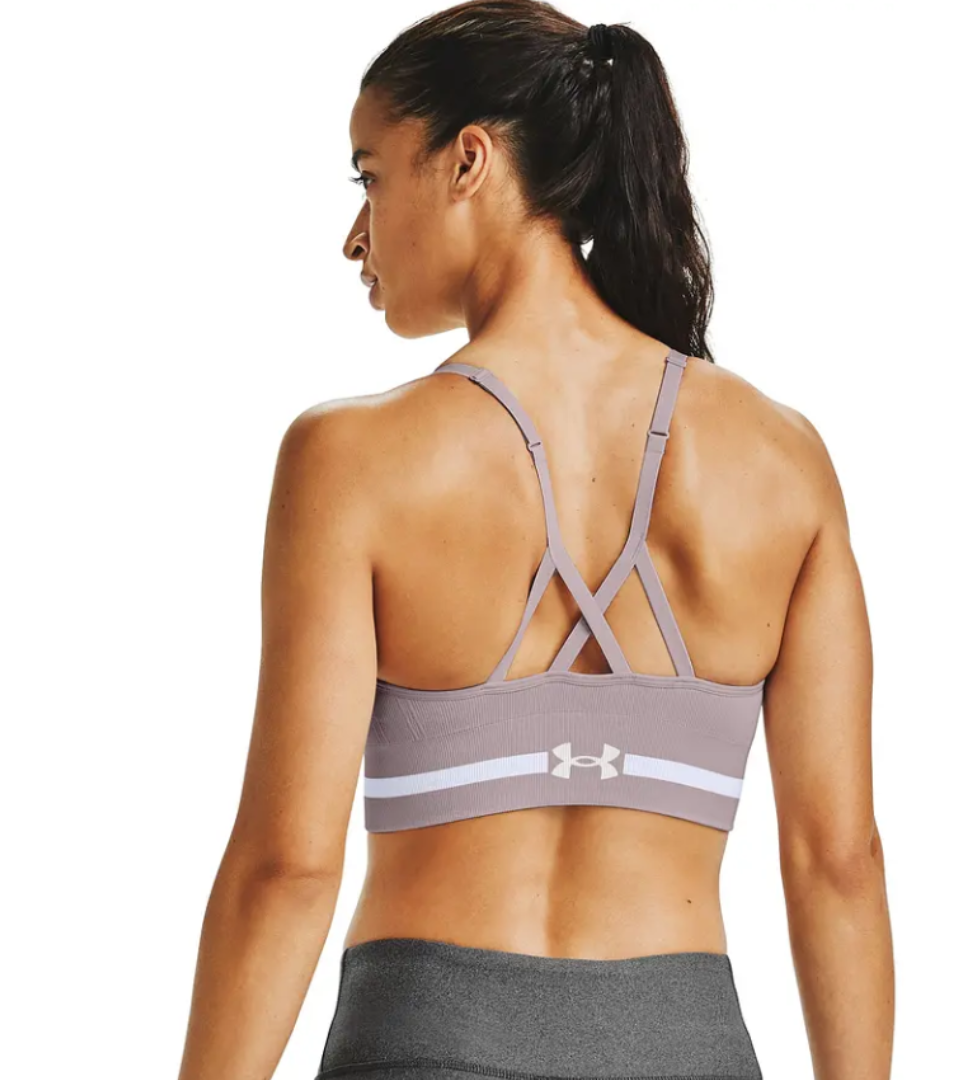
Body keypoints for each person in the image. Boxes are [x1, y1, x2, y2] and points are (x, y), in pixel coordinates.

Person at [176, 3, 894, 1079]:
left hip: (420, 1045)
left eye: (370, 178)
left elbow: (287, 869)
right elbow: (838, 862)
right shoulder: (781, 462)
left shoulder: (352, 461)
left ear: (469, 160)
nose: (355, 236)